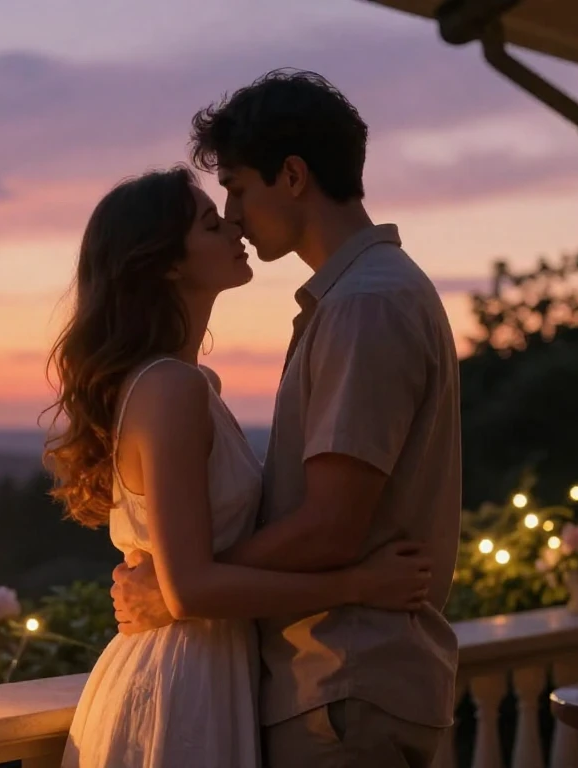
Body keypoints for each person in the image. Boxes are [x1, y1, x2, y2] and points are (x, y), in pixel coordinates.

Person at [110, 70, 461, 767]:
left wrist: (179, 588)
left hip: (343, 682)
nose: (233, 214)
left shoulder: (366, 304)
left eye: (238, 189)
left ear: (293, 176)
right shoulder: (357, 299)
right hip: (336, 685)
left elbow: (332, 524)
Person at [44, 164, 434, 768]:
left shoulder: (189, 384)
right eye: (209, 223)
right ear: (168, 262)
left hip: (211, 667)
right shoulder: (170, 389)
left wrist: (172, 589)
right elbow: (193, 586)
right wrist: (360, 586)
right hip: (179, 681)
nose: (233, 226)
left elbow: (185, 581)